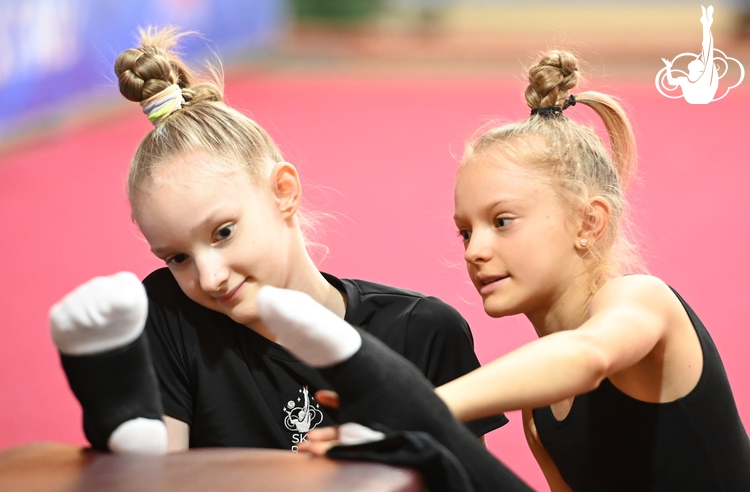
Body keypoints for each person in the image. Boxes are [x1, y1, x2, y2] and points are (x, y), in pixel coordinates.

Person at [280, 49, 750, 491]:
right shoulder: (539, 411)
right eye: (466, 231)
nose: (474, 251)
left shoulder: (642, 300)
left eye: (502, 222)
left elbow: (589, 356)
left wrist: (417, 408)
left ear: (589, 221)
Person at [48, 26, 505, 455]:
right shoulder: (165, 314)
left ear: (283, 191)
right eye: (177, 257)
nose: (209, 277)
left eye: (223, 233)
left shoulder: (420, 331)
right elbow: (157, 475)